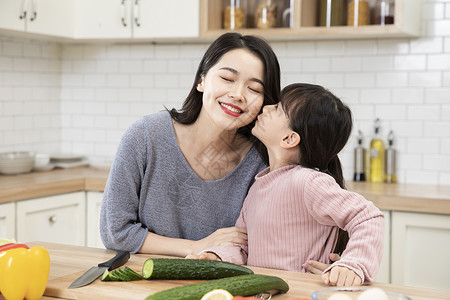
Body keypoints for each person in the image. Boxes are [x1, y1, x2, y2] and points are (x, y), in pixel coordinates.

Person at [99, 32, 281, 256]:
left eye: (254, 89)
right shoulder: (145, 136)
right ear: (201, 81)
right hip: (142, 281)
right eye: (227, 79)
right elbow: (115, 232)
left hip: (220, 287)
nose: (238, 94)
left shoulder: (262, 165)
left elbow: (268, 245)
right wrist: (195, 247)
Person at [188, 83, 385, 286]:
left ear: (289, 138)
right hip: (263, 293)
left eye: (277, 109)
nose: (265, 108)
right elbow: (242, 245)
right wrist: (215, 256)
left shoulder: (307, 182)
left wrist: (353, 264)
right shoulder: (257, 187)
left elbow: (368, 217)